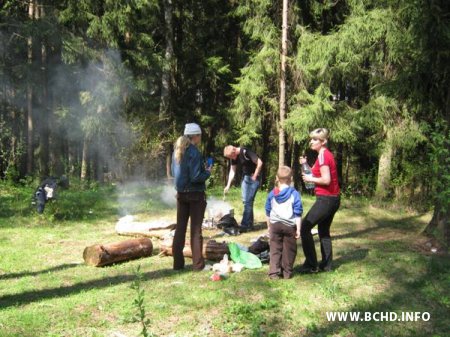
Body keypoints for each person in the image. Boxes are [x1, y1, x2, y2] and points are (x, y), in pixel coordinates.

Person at [299, 128, 340, 273]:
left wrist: (310, 178)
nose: (311, 141)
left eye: (315, 139)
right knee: (323, 231)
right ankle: (326, 265)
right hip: (333, 199)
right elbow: (318, 173)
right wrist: (306, 165)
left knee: (305, 227)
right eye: (311, 139)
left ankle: (311, 265)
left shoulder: (323, 156)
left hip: (326, 199)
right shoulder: (323, 155)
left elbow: (326, 179)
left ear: (323, 142)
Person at [171, 123, 211, 271]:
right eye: (200, 135)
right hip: (195, 195)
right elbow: (195, 177)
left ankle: (177, 264)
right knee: (195, 231)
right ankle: (198, 265)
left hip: (181, 194)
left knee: (180, 228)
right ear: (195, 136)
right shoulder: (194, 152)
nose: (200, 138)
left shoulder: (177, 150)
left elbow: (175, 174)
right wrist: (207, 172)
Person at [265, 166, 302, 279]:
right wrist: (299, 229)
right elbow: (298, 213)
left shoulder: (272, 194)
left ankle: (274, 273)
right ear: (291, 179)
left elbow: (267, 211)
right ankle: (287, 273)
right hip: (289, 226)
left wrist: (269, 226)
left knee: (275, 248)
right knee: (289, 250)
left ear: (276, 178)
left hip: (275, 225)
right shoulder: (294, 194)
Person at [223, 145, 263, 231]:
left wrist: (255, 175)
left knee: (248, 201)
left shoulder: (245, 152)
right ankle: (249, 224)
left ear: (234, 151)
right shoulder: (233, 156)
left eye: (231, 156)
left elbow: (260, 162)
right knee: (246, 201)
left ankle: (245, 225)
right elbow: (232, 170)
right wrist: (228, 185)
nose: (232, 158)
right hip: (245, 177)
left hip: (254, 177)